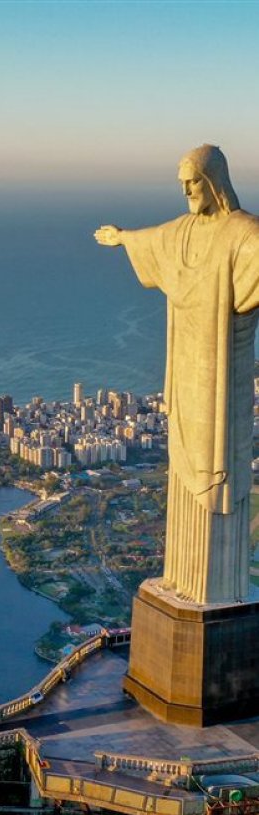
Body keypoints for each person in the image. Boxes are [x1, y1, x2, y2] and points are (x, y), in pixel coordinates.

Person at [94, 145, 259, 604]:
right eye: (182, 183)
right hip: (187, 366)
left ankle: (217, 591)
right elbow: (154, 240)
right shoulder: (183, 231)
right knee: (183, 463)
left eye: (193, 182)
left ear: (214, 182)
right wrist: (123, 237)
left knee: (215, 467)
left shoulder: (243, 233)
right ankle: (182, 580)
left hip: (221, 373)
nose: (186, 190)